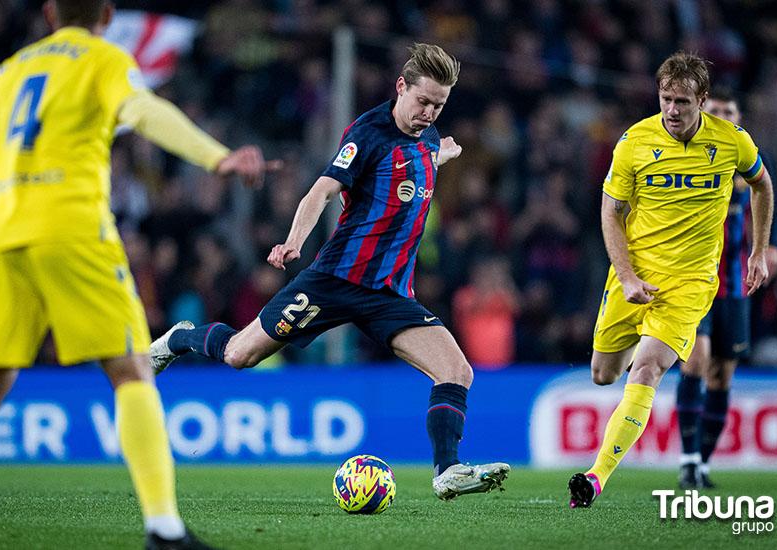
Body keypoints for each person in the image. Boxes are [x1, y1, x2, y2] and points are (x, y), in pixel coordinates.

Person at [0, 1, 273, 549]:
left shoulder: (2, 76)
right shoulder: (102, 58)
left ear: (50, 13)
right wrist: (217, 157)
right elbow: (144, 112)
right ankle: (164, 528)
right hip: (74, 231)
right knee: (130, 372)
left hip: (0, 242)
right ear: (104, 13)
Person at [152, 43, 511, 500]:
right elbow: (320, 192)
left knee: (457, 371)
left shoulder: (427, 136)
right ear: (401, 87)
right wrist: (294, 242)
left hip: (390, 295)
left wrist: (438, 155)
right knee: (240, 355)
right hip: (334, 281)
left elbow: (407, 170)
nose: (428, 112)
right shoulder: (367, 134)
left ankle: (447, 470)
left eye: (438, 105)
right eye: (422, 101)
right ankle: (179, 338)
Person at [568, 52, 774, 508]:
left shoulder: (732, 141)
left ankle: (595, 477)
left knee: (648, 368)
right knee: (603, 375)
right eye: (665, 99)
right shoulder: (634, 142)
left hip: (691, 284)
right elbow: (610, 211)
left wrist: (759, 249)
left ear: (702, 99)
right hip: (634, 273)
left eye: (682, 101)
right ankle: (627, 397)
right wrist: (625, 276)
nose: (672, 110)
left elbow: (762, 184)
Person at [675, 87, 777, 489]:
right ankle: (687, 462)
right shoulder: (691, 154)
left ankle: (701, 463)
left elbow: (772, 204)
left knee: (722, 375)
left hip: (735, 286)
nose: (720, 115)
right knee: (695, 361)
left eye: (727, 111)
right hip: (695, 281)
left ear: (737, 117)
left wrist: (768, 246)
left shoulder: (750, 160)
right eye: (714, 109)